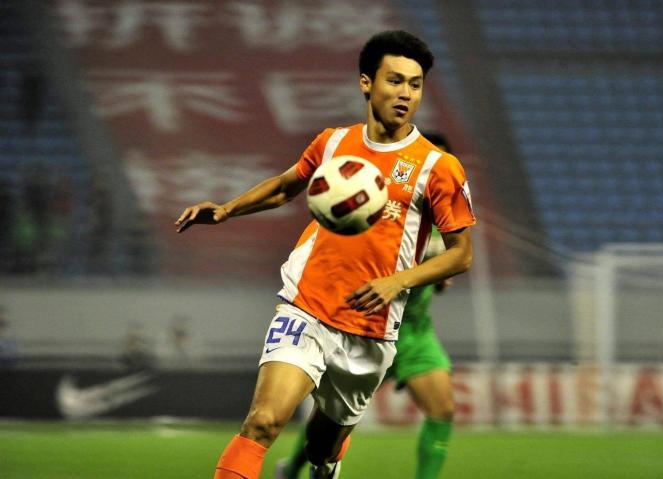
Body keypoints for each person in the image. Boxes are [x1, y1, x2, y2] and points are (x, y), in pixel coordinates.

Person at [175, 30, 475, 479]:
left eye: (415, 85)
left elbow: (461, 255)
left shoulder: (438, 167)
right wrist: (226, 210)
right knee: (263, 422)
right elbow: (285, 187)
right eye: (395, 80)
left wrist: (397, 281)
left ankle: (327, 465)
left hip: (371, 330)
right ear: (366, 82)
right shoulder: (333, 143)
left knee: (321, 448)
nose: (405, 94)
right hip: (307, 307)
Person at [275, 133, 458, 479]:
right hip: (367, 328)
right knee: (332, 418)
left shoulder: (444, 227)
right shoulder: (381, 206)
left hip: (415, 335)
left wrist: (439, 276)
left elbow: (450, 267)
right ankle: (296, 468)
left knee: (443, 410)